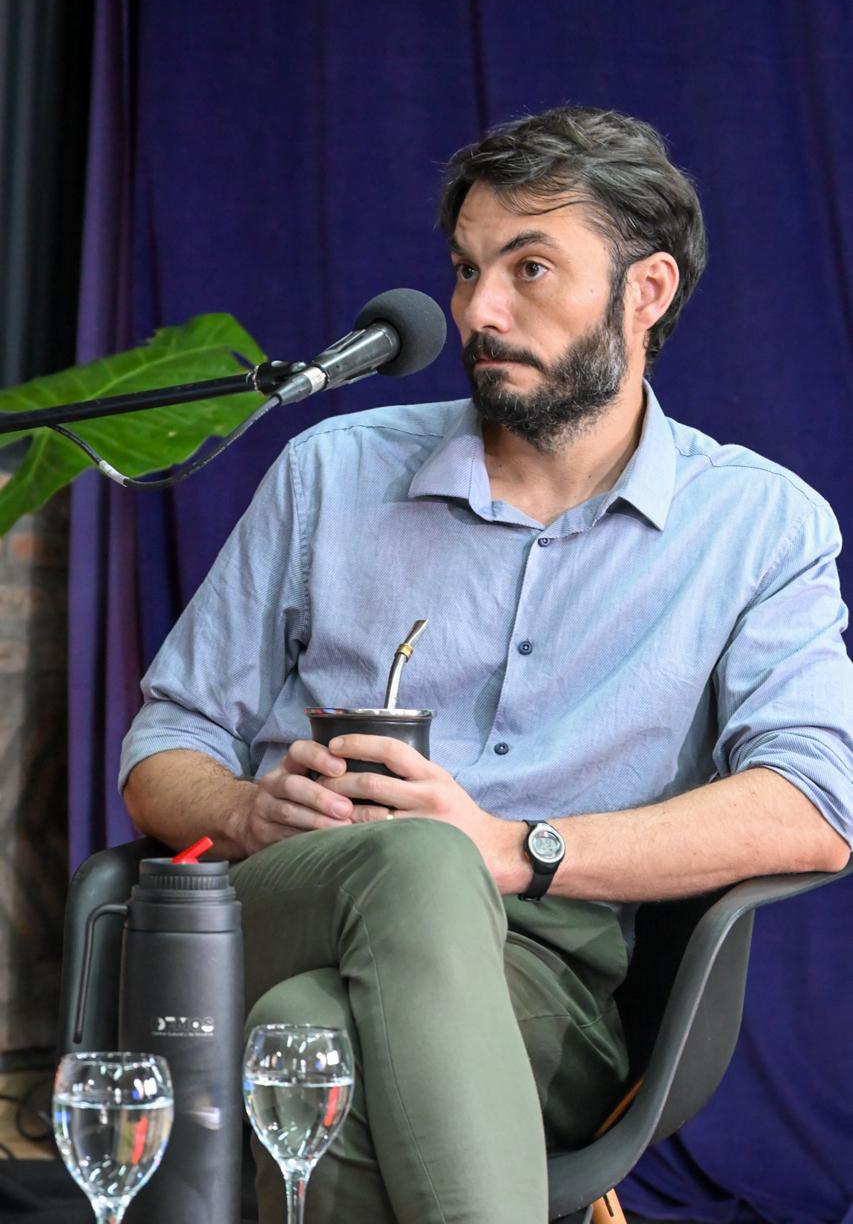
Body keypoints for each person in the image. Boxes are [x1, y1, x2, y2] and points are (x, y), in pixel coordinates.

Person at [121, 106, 853, 1224]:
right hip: (285, 902)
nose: (477, 310)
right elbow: (163, 749)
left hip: (547, 987)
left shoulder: (756, 526)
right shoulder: (331, 474)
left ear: (646, 291)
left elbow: (813, 805)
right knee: (412, 864)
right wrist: (244, 808)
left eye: (529, 268)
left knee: (310, 1032)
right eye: (467, 269)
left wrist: (516, 847)